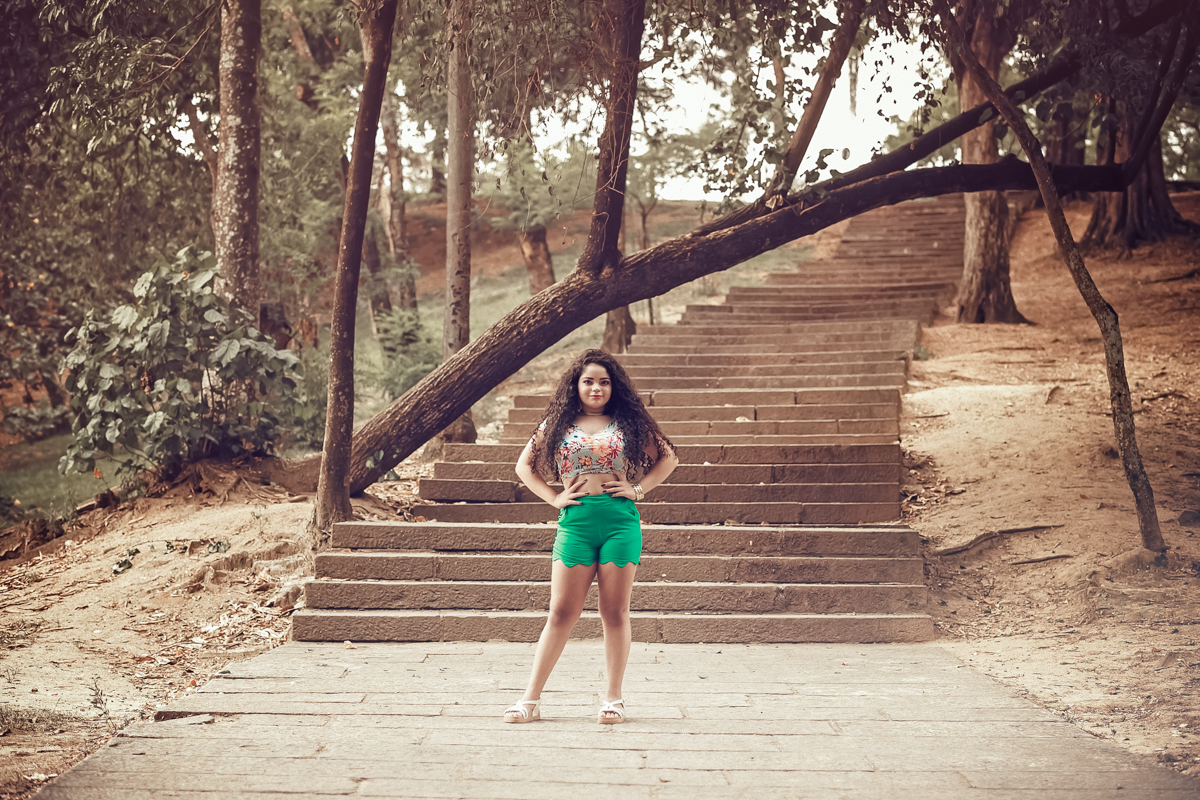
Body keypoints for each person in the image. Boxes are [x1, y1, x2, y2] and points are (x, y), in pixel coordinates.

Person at [503, 349, 678, 724]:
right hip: (576, 525)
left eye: (603, 381)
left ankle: (613, 698)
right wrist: (554, 497)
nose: (596, 387)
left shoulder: (628, 421)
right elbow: (524, 466)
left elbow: (668, 457)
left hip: (620, 522)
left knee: (613, 612)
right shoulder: (558, 422)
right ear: (576, 386)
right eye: (588, 381)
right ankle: (530, 700)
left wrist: (638, 489)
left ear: (613, 387)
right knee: (561, 612)